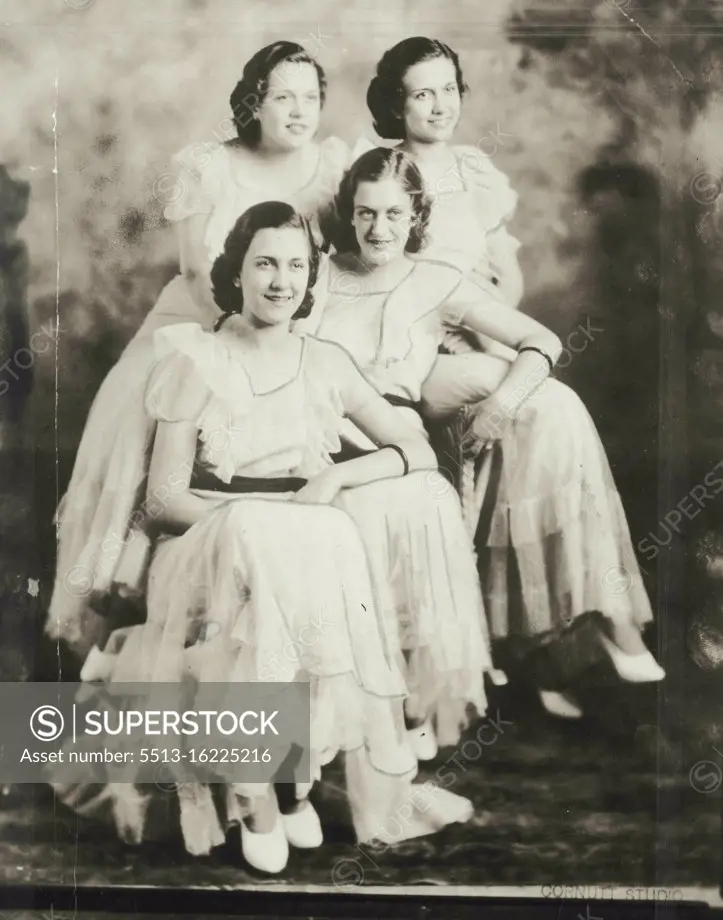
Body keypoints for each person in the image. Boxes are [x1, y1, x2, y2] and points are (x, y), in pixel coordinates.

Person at [49, 201, 486, 873]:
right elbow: (164, 500)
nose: (280, 281)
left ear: (310, 276)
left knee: (327, 533)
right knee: (270, 533)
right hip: (203, 546)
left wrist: (334, 483)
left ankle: (295, 779)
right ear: (237, 272)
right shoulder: (196, 357)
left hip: (295, 549)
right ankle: (255, 792)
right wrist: (256, 525)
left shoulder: (326, 361)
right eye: (264, 264)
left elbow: (416, 450)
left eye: (295, 265)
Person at [301, 147, 664, 721]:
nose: (380, 228)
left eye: (395, 214)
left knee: (547, 412)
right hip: (312, 429)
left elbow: (541, 342)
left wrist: (500, 404)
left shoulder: (434, 282)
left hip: (385, 440)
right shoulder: (318, 274)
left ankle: (399, 710)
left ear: (416, 216)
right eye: (367, 213)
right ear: (349, 213)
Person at [47, 41, 351, 656]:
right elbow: (192, 271)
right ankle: (124, 608)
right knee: (136, 410)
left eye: (311, 98)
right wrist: (229, 349)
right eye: (282, 97)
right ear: (254, 102)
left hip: (284, 320)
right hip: (199, 318)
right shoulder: (209, 164)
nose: (299, 111)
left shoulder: (331, 168)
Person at [365, 35, 523, 419]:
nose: (441, 107)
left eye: (449, 89)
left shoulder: (473, 167)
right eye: (423, 95)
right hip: (416, 348)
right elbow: (376, 283)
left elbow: (510, 277)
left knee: (535, 395)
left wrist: (488, 324)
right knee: (527, 399)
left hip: (485, 331)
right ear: (397, 103)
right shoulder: (383, 173)